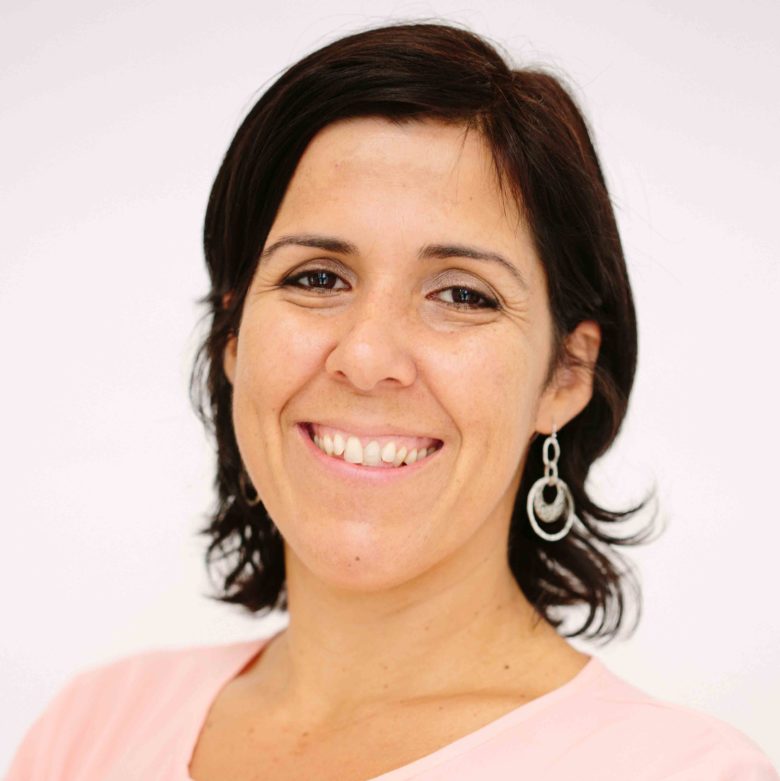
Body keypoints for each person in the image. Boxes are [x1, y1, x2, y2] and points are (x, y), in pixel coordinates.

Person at [5, 21, 777, 781]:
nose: (368, 357)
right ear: (233, 335)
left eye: (462, 295)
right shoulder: (91, 730)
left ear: (565, 374)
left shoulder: (685, 771)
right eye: (317, 278)